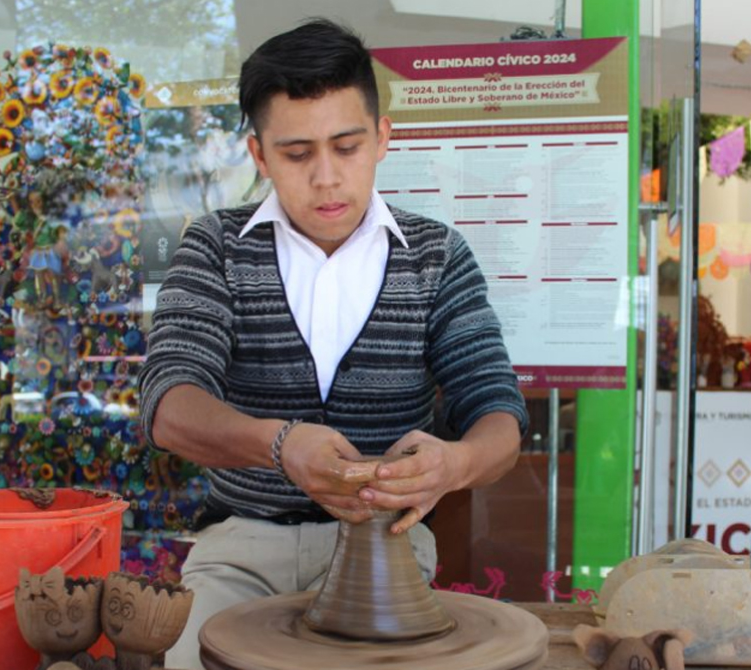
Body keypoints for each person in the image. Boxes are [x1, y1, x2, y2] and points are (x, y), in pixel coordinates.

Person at [138, 19, 528, 669]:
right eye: (297, 154)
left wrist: (454, 465)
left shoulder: (436, 257)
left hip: (388, 550)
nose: (326, 177)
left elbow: (498, 414)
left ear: (383, 138)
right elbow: (168, 405)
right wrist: (281, 445)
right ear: (259, 155)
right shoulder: (215, 248)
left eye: (346, 147)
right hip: (240, 550)